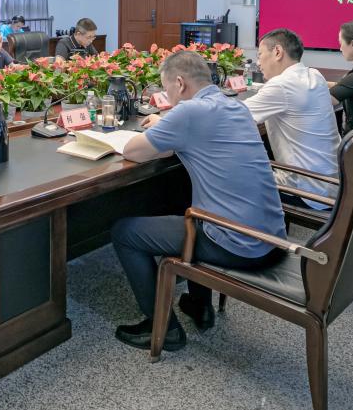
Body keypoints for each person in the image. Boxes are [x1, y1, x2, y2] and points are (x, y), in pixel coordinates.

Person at [112, 50, 286, 349]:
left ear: (180, 83)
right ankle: (199, 304)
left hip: (237, 244)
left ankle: (163, 328)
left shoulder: (189, 113)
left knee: (125, 233)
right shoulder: (235, 106)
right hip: (271, 237)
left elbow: (133, 151)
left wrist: (165, 122)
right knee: (186, 204)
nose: (168, 97)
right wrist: (167, 122)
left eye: (166, 89)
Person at [242, 28, 340, 210]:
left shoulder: (282, 85)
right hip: (333, 183)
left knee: (233, 176)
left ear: (277, 52)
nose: (258, 63)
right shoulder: (314, 75)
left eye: (260, 55)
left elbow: (231, 116)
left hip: (307, 190)